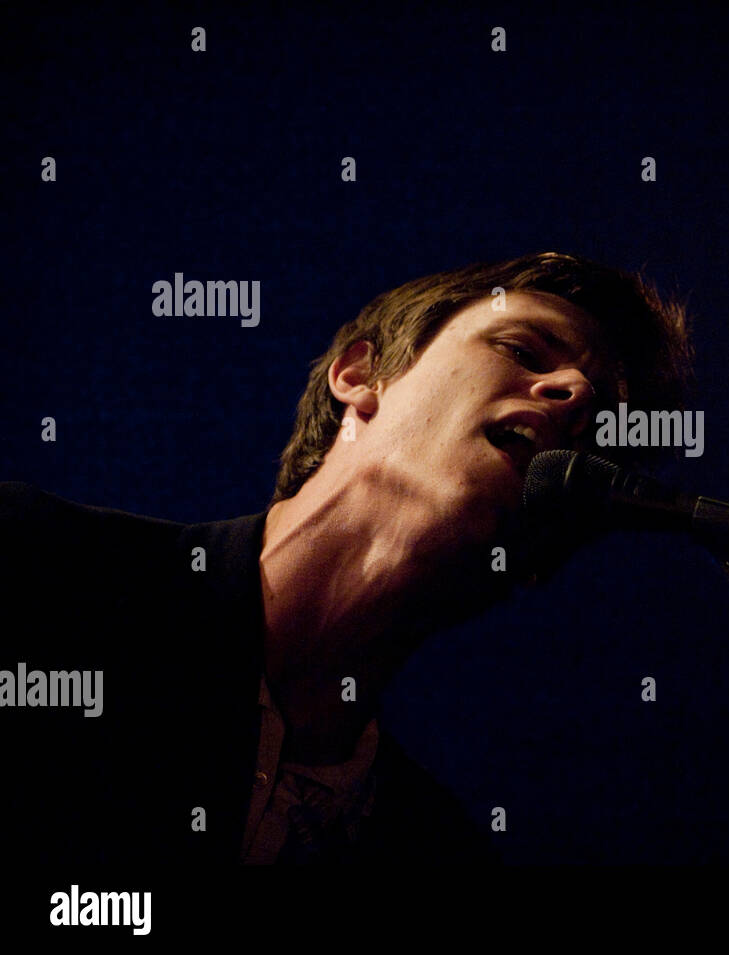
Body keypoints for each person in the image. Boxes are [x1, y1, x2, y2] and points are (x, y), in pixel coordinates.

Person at [0, 251, 693, 864]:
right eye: (523, 349)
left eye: (600, 425)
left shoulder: (433, 849)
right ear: (362, 375)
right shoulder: (33, 564)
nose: (573, 393)